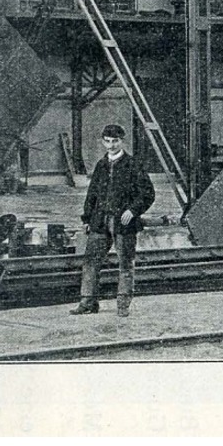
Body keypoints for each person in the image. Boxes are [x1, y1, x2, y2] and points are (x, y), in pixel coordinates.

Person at [70, 123, 155, 318]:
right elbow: (92, 194)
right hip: (100, 221)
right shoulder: (101, 165)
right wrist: (86, 218)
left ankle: (123, 305)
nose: (111, 146)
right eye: (107, 142)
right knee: (91, 261)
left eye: (115, 141)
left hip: (123, 224)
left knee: (125, 264)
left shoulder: (134, 165)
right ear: (103, 142)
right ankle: (88, 302)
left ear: (122, 141)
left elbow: (148, 193)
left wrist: (133, 211)